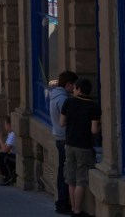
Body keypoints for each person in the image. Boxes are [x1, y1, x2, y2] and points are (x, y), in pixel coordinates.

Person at [60, 78, 101, 217]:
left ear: (78, 89)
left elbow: (62, 122)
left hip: (69, 143)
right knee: (81, 179)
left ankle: (73, 209)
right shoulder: (93, 106)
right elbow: (94, 130)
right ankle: (78, 210)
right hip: (84, 146)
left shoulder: (68, 102)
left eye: (75, 88)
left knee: (71, 178)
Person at [50, 70, 79, 215]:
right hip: (64, 138)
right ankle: (62, 203)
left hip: (58, 137)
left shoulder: (55, 96)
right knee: (66, 173)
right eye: (73, 86)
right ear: (68, 84)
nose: (74, 89)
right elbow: (65, 120)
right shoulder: (63, 99)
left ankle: (61, 201)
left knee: (62, 171)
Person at [0, 119, 17, 185]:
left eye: (5, 124)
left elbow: (5, 150)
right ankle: (6, 175)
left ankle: (7, 176)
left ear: (9, 124)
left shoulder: (13, 134)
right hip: (9, 155)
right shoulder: (10, 134)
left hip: (14, 157)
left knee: (2, 156)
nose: (5, 126)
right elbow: (3, 149)